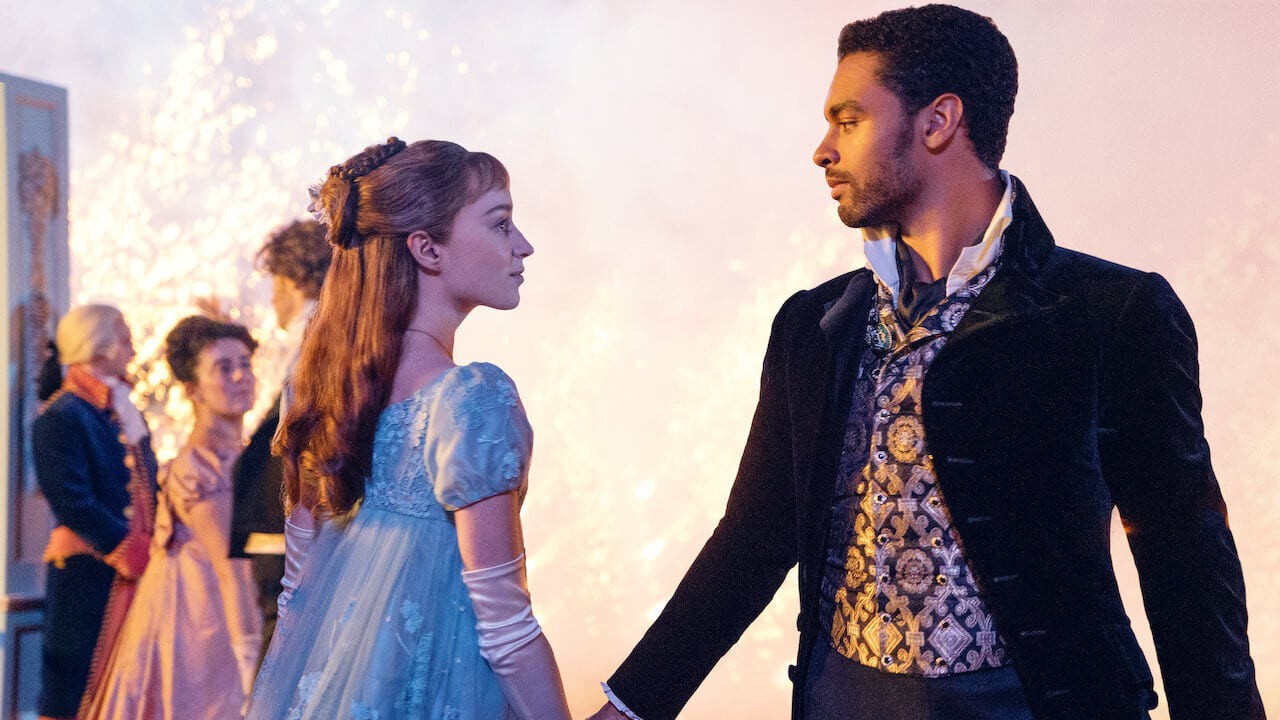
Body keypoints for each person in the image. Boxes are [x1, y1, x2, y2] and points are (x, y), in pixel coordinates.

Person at [591, 6, 1265, 720]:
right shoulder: (814, 326)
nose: (823, 149)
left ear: (938, 121)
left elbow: (1184, 556)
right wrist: (631, 706)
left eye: (849, 120)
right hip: (841, 702)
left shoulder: (1110, 313)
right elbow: (755, 537)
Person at [246, 137, 571, 720]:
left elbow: (298, 596)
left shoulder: (318, 392)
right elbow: (505, 627)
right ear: (427, 248)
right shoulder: (471, 400)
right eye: (500, 223)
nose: (523, 245)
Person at [86, 316, 263, 719]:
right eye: (224, 368)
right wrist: (251, 661)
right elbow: (231, 568)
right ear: (192, 389)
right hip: (200, 623)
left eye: (245, 364)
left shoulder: (245, 456)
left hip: (234, 606)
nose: (241, 376)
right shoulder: (199, 468)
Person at [33, 304, 156, 720]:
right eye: (124, 338)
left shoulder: (119, 408)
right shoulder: (62, 415)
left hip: (131, 569)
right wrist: (126, 547)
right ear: (97, 345)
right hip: (87, 571)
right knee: (76, 684)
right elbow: (71, 500)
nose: (132, 349)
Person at [229, 218, 332, 671]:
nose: (272, 299)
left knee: (281, 656)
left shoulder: (316, 341)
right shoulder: (311, 340)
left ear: (292, 280)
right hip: (285, 525)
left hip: (289, 526)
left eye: (274, 283)